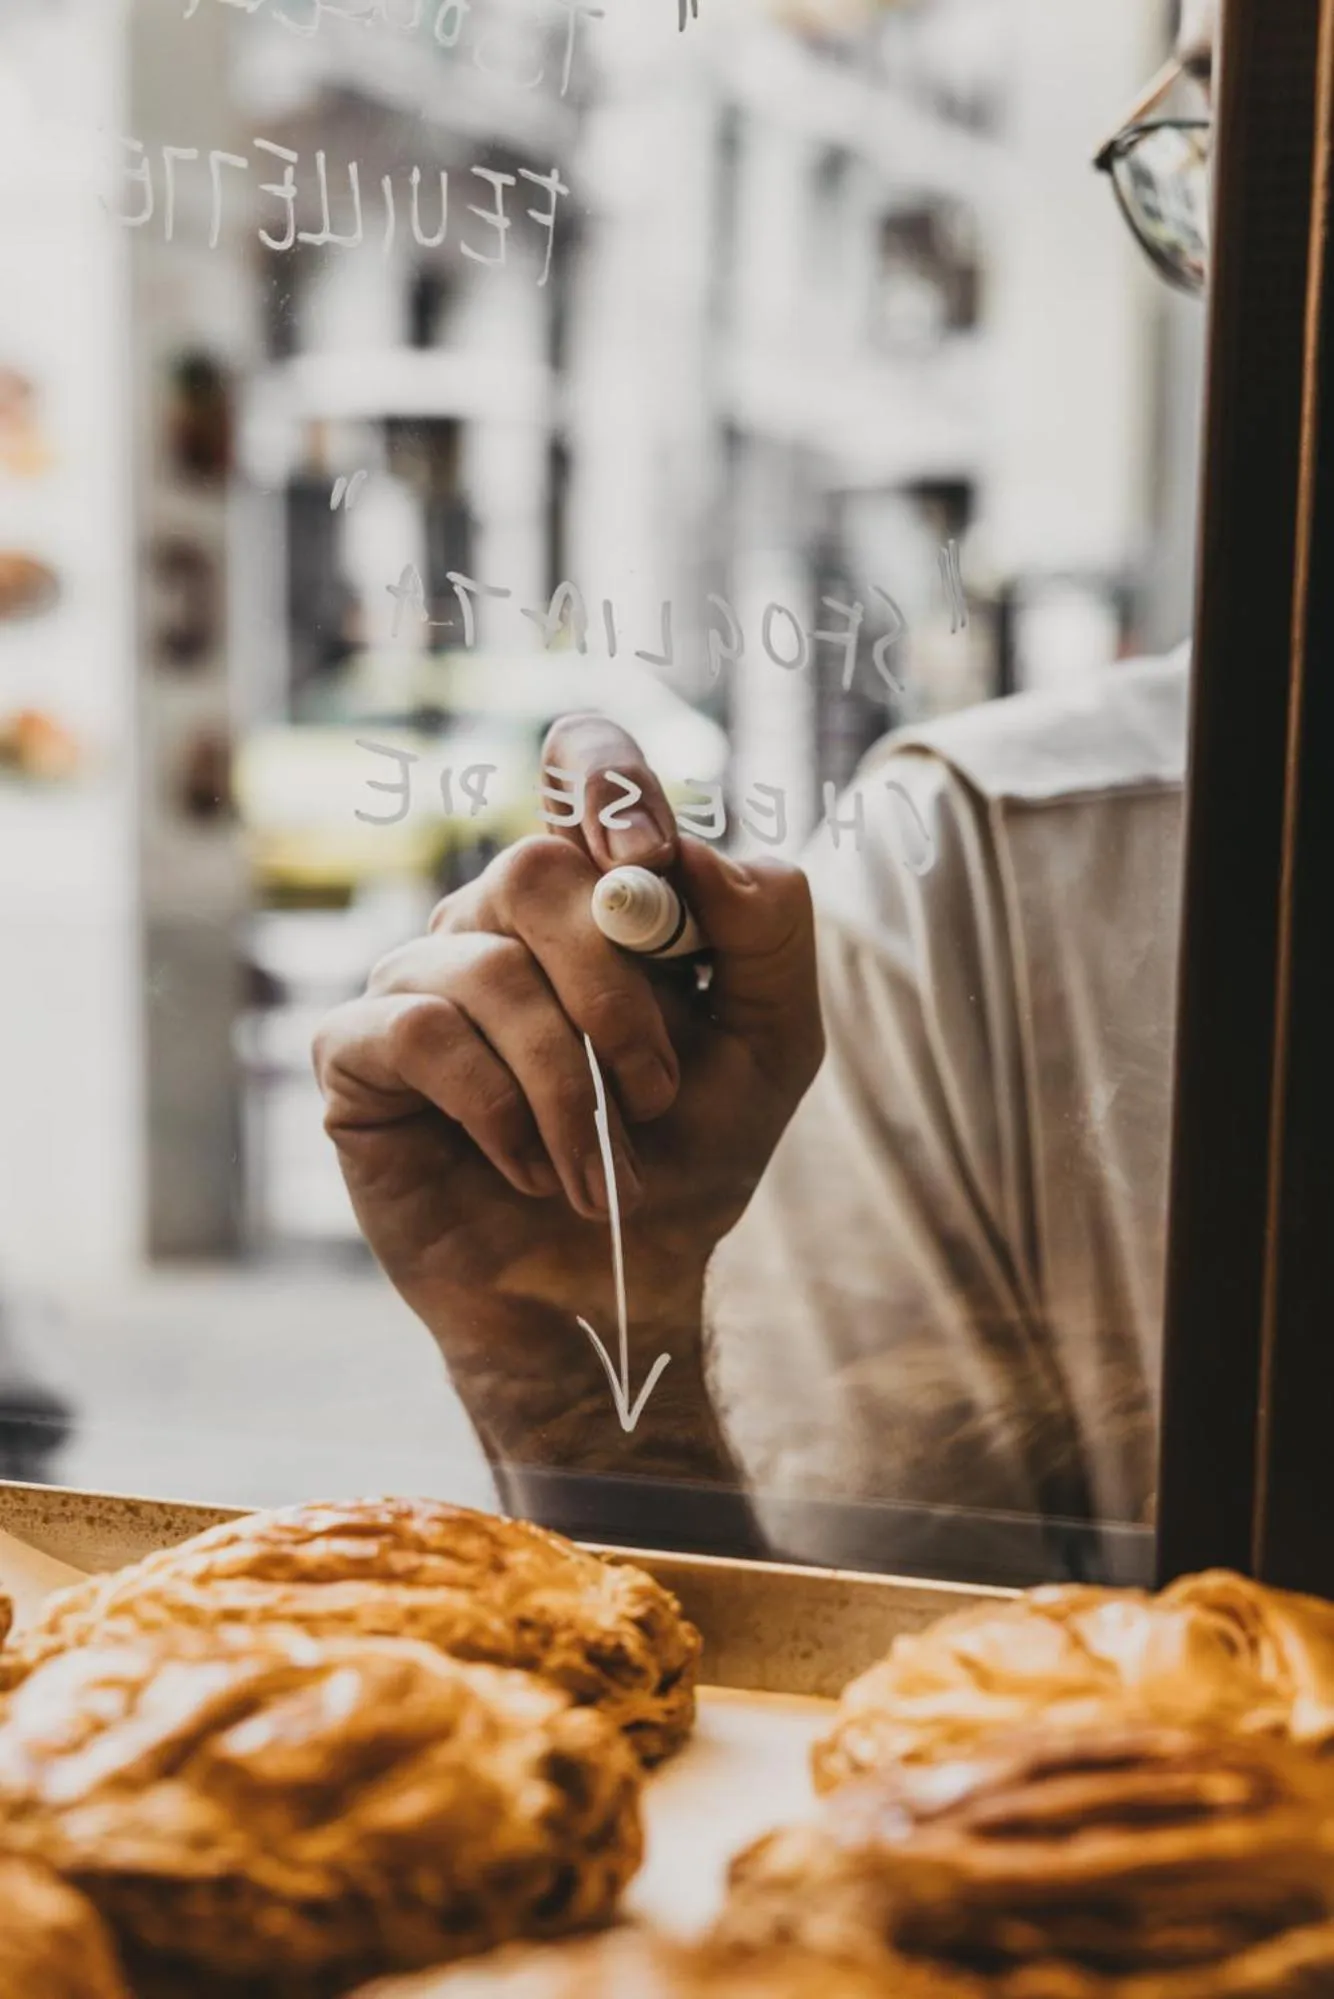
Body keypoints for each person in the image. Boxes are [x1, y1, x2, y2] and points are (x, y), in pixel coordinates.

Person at [314, 2, 1216, 1586]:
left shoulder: (1024, 862)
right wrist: (569, 1366)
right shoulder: (995, 873)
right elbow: (855, 1708)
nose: (1223, 247)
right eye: (1198, 155)